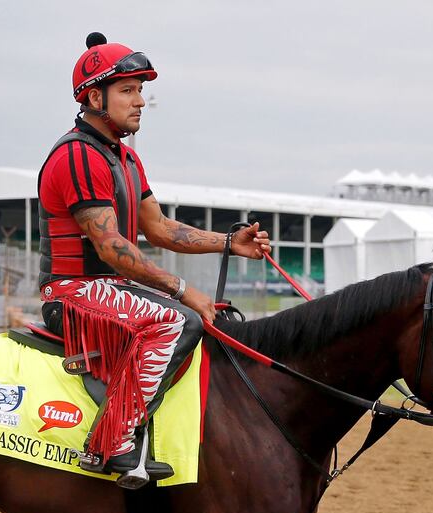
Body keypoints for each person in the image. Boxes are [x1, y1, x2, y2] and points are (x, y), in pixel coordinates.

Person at [38, 32, 270, 488]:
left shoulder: (125, 158)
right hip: (72, 293)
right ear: (92, 97)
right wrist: (183, 289)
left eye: (141, 90)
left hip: (113, 291)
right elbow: (111, 249)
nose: (140, 101)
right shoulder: (77, 155)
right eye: (128, 90)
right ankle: (111, 443)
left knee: (207, 320)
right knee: (177, 322)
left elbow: (160, 230)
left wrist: (228, 242)